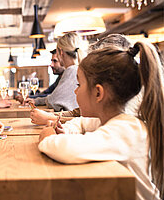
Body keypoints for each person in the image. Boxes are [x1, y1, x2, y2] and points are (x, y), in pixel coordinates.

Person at [38, 42, 164, 200]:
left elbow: (67, 149)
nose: (75, 91)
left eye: (79, 85)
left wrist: (48, 135)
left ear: (98, 93)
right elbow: (83, 122)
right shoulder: (114, 120)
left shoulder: (126, 131)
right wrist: (67, 130)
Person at [30, 34, 133, 125]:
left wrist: (52, 118)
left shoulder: (121, 120)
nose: (76, 90)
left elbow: (54, 101)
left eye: (79, 85)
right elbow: (78, 115)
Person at [25, 32, 85, 111]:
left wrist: (39, 101)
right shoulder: (79, 69)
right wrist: (37, 101)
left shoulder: (72, 70)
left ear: (61, 52)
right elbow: (53, 96)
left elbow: (53, 101)